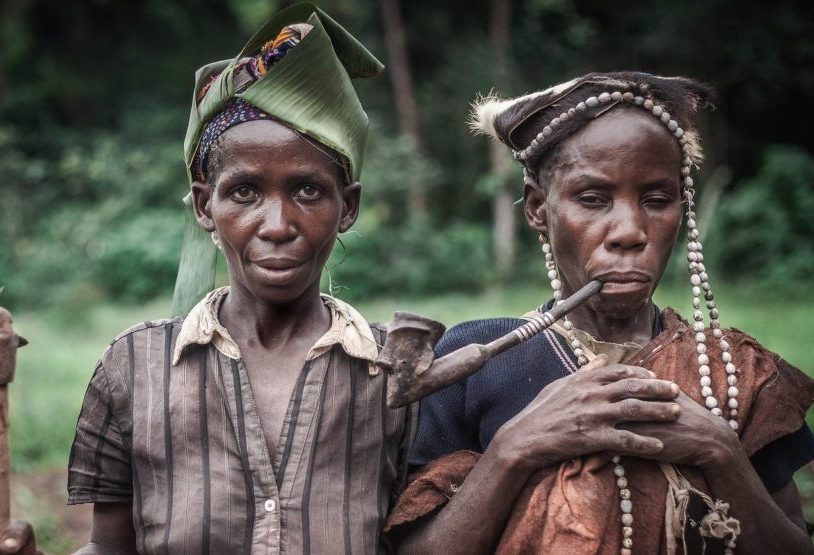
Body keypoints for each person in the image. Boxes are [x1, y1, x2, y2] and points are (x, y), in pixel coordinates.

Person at [385, 73, 814, 554]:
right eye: (593, 199)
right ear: (537, 209)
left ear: (682, 208)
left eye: (656, 200)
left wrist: (720, 452)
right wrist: (514, 449)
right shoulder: (474, 362)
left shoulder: (737, 374)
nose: (629, 231)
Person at [57, 4, 414, 553]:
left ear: (349, 207)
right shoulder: (132, 370)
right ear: (205, 206)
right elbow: (110, 547)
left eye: (308, 191)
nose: (277, 225)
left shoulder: (399, 375)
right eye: (244, 192)